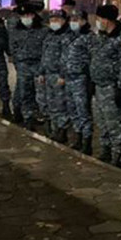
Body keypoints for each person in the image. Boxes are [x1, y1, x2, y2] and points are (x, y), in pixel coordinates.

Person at [89, 3, 121, 168]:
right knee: (102, 122)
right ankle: (105, 150)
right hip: (98, 85)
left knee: (114, 123)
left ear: (107, 20)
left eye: (99, 18)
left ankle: (118, 155)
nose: (97, 21)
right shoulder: (100, 36)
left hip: (111, 87)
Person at [9, 0, 47, 130]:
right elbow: (13, 47)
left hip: (38, 65)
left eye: (28, 15)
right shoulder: (16, 30)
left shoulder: (43, 30)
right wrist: (17, 62)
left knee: (41, 94)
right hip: (23, 65)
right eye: (23, 15)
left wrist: (43, 68)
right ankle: (27, 118)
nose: (26, 17)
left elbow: (46, 49)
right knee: (25, 93)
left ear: (33, 15)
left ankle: (45, 118)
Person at [61, 10, 93, 154]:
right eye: (72, 19)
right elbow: (64, 57)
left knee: (83, 111)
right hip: (69, 78)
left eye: (77, 19)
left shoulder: (89, 37)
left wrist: (90, 79)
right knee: (72, 109)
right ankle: (77, 137)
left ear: (84, 21)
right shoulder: (68, 36)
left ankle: (87, 142)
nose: (73, 22)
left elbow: (93, 58)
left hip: (81, 78)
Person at [38, 9, 70, 142]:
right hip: (48, 74)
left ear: (63, 21)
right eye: (51, 20)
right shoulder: (49, 36)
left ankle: (62, 130)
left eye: (57, 20)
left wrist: (63, 75)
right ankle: (54, 128)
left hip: (58, 75)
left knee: (60, 104)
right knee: (50, 103)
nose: (54, 22)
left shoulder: (66, 37)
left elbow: (67, 58)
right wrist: (41, 72)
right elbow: (44, 55)